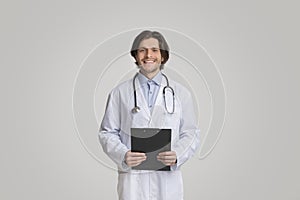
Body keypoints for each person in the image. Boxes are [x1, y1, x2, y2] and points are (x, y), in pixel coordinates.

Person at [98, 30, 200, 200]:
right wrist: (123, 154)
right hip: (133, 181)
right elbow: (107, 132)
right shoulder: (120, 93)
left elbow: (191, 133)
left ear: (163, 56)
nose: (148, 55)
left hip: (167, 181)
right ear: (136, 56)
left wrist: (177, 155)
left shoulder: (181, 93)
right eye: (142, 50)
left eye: (154, 50)